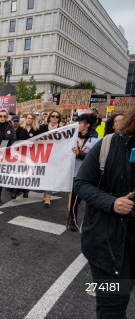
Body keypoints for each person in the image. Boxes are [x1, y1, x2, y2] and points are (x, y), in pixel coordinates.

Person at [73, 107, 135, 318]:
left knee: (124, 293)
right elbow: (81, 183)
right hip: (107, 246)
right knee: (112, 304)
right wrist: (112, 202)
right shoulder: (109, 145)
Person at [68, 113, 100, 231]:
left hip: (86, 174)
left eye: (80, 123)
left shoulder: (96, 139)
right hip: (72, 171)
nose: (78, 125)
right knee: (73, 199)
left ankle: (86, 221)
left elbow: (96, 158)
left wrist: (79, 154)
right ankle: (73, 219)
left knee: (79, 199)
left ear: (87, 125)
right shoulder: (72, 136)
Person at [39, 110, 62, 207]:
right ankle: (46, 191)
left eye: (57, 117)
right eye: (53, 116)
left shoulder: (62, 129)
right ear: (49, 117)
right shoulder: (42, 128)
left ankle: (48, 196)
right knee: (44, 175)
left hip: (55, 155)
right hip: (43, 154)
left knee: (52, 175)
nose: (55, 118)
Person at [16, 113, 41, 197]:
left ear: (34, 120)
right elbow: (16, 139)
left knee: (27, 171)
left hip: (30, 153)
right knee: (19, 170)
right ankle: (15, 190)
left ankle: (26, 190)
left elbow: (38, 141)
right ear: (26, 119)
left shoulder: (36, 129)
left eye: (31, 118)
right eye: (28, 118)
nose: (29, 119)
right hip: (20, 152)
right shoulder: (21, 128)